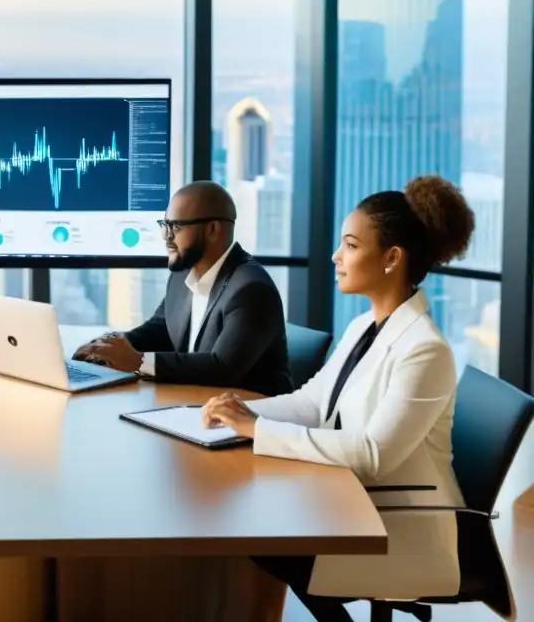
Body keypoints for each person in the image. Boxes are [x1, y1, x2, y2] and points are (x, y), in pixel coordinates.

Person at [202, 175, 475, 621]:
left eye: (350, 245)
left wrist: (257, 429)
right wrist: (238, 410)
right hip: (353, 500)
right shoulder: (364, 327)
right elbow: (314, 403)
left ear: (391, 257)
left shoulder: (425, 350)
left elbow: (372, 455)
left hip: (395, 521)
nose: (336, 256)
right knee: (258, 532)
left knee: (262, 538)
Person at [73, 181, 292, 397]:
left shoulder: (251, 290)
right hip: (195, 403)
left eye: (176, 226)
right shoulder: (182, 274)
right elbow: (158, 329)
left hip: (250, 417)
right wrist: (107, 348)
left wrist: (137, 361)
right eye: (165, 225)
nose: (166, 236)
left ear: (213, 229)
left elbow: (223, 368)